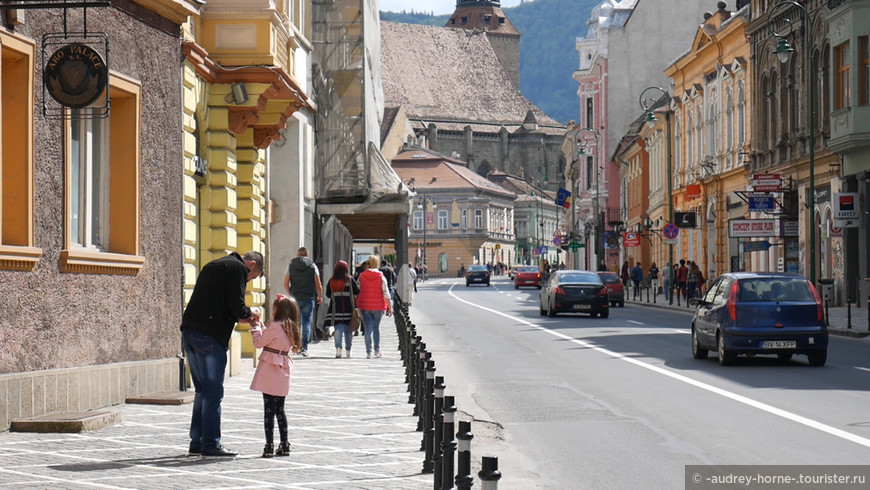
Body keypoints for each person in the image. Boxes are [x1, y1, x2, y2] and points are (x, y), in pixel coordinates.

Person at [181, 250, 264, 457]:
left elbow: (221, 303)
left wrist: (241, 316)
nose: (248, 279)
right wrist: (250, 314)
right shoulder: (237, 268)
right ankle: (210, 442)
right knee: (213, 391)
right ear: (251, 265)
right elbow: (236, 306)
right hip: (210, 336)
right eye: (251, 277)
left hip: (190, 332)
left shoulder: (213, 264)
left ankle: (197, 441)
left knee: (202, 390)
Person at [250, 294, 301, 458]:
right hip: (283, 367)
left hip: (270, 367)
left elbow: (259, 342)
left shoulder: (275, 326)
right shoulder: (291, 327)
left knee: (268, 409)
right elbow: (273, 339)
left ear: (278, 309)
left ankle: (269, 445)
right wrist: (263, 326)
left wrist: (256, 328)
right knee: (280, 409)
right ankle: (285, 443)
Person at [283, 247, 322, 357]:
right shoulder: (312, 266)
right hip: (308, 298)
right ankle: (304, 348)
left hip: (295, 298)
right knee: (306, 322)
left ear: (297, 255)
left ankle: (295, 345)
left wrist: (290, 293)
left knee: (295, 322)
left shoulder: (291, 265)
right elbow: (318, 284)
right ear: (307, 255)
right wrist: (319, 295)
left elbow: (285, 283)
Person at [357, 255, 393, 359]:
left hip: (365, 305)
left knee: (368, 329)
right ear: (376, 264)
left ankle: (369, 352)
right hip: (379, 306)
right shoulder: (381, 276)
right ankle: (377, 350)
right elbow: (386, 293)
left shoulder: (362, 276)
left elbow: (358, 289)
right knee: (376, 327)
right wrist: (390, 307)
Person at [325, 260, 360, 358]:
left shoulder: (331, 281)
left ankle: (338, 349)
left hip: (335, 309)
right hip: (348, 309)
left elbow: (328, 294)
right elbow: (357, 291)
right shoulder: (349, 279)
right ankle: (348, 350)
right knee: (348, 331)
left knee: (338, 329)